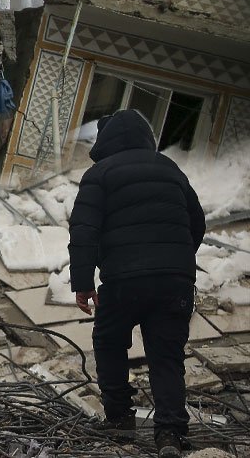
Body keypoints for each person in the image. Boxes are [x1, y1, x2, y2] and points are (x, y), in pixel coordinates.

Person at [69, 109, 205, 458]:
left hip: (124, 280)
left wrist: (83, 283)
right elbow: (197, 221)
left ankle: (119, 419)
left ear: (106, 142)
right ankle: (171, 434)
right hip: (175, 282)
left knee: (110, 340)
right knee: (166, 356)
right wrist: (178, 260)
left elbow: (84, 232)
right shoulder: (171, 170)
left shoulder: (99, 174)